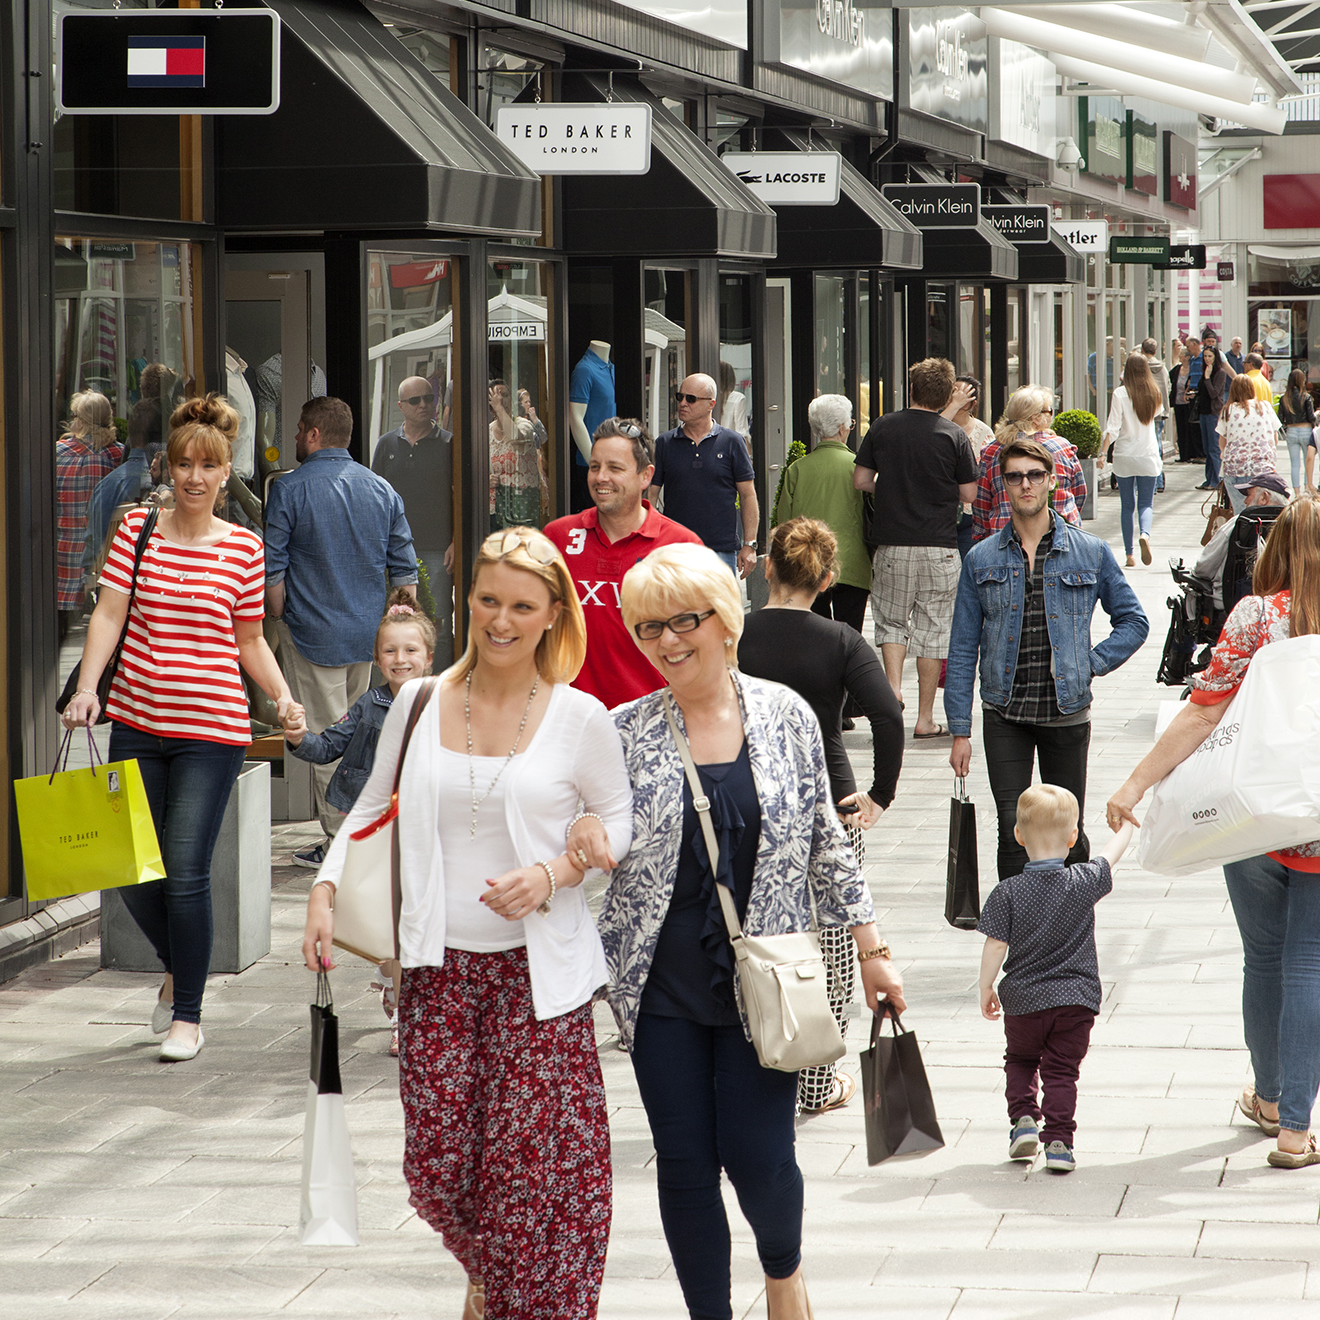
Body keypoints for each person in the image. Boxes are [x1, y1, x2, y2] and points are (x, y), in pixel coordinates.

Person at [302, 526, 634, 1318]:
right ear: (468, 600)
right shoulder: (418, 702)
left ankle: (529, 1300)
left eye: (523, 605)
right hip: (435, 970)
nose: (501, 620)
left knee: (534, 1174)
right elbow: (367, 810)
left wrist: (561, 866)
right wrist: (324, 886)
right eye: (489, 600)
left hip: (537, 978)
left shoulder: (580, 716)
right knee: (439, 1167)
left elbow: (618, 815)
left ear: (554, 612)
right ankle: (497, 1279)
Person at [574, 541, 901, 1320]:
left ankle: (783, 1276)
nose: (666, 642)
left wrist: (874, 949)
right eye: (647, 628)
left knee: (759, 1157)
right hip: (661, 984)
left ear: (724, 621)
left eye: (682, 621)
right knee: (684, 1165)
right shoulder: (621, 732)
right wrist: (580, 834)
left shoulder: (784, 714)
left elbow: (825, 840)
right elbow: (582, 834)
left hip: (768, 976)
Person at [62, 395, 300, 1062]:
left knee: (186, 869)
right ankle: (179, 966)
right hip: (136, 721)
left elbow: (249, 639)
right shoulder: (137, 528)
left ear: (227, 474)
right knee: (131, 871)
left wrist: (281, 697)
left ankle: (186, 1015)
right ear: (169, 468)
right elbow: (108, 615)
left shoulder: (243, 549)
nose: (195, 477)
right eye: (185, 464)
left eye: (209, 466)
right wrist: (86, 688)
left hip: (211, 732)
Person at [1107, 496, 1320, 1169]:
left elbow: (1202, 714)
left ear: (1276, 548)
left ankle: (1267, 1094)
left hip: (1253, 814)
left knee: (1263, 958)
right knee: (1308, 963)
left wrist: (1135, 783)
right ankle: (1295, 1129)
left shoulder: (1256, 616)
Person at [739, 518, 904, 1117]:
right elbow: (887, 714)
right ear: (829, 579)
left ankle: (757, 1062)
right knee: (833, 943)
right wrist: (880, 794)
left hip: (748, 799)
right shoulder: (841, 641)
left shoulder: (735, 634)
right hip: (831, 802)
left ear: (769, 569)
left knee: (756, 935)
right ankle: (817, 1081)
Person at [946, 437, 1148, 881]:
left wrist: (1088, 662)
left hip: (1067, 711)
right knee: (1011, 829)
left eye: (1034, 475)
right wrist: (959, 729)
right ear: (1004, 484)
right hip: (1005, 712)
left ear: (1052, 481)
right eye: (1015, 476)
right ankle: (1018, 933)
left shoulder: (1088, 551)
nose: (1025, 485)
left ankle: (1070, 926)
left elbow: (1134, 622)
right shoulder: (981, 558)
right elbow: (961, 646)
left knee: (1065, 831)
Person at [264, 396, 419, 867]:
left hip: (313, 635)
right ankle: (360, 836)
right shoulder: (382, 489)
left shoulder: (289, 490)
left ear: (313, 435)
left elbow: (273, 575)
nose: (293, 438)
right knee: (358, 739)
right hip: (366, 639)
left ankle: (341, 846)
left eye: (297, 430)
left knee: (329, 742)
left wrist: (277, 620)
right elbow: (406, 578)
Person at [284, 588, 435, 1057]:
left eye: (411, 650)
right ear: (376, 657)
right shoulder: (369, 706)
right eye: (390, 651)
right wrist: (296, 737)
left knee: (415, 919)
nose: (400, 659)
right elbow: (327, 746)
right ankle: (395, 982)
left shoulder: (442, 703)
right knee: (388, 920)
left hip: (427, 830)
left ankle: (407, 1014)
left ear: (429, 657)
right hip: (377, 832)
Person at [978, 785, 1134, 1174]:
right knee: (1062, 1071)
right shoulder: (1083, 880)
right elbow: (1112, 856)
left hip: (1024, 1001)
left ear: (1018, 836)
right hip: (1076, 1000)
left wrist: (986, 986)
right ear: (1073, 838)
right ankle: (1060, 1143)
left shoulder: (1007, 892)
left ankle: (1023, 1121)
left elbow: (996, 946)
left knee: (1021, 1060)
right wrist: (1126, 824)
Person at [853, 358, 977, 738]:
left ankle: (892, 691)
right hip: (940, 546)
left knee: (891, 623)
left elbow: (860, 480)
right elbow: (969, 493)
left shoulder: (883, 427)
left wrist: (890, 488)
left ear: (910, 390)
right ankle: (925, 719)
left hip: (892, 544)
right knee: (934, 630)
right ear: (945, 395)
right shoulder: (953, 436)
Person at [544, 417, 700, 710]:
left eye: (615, 468)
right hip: (570, 721)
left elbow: (705, 646)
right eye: (594, 466)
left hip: (654, 725)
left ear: (646, 476)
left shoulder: (682, 546)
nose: (601, 477)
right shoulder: (557, 537)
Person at [772, 393, 872, 631]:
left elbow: (784, 523)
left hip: (808, 564)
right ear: (841, 428)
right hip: (853, 565)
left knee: (814, 634)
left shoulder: (797, 470)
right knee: (849, 635)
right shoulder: (859, 468)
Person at [371, 375, 455, 657]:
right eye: (415, 400)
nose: (423, 405)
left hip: (437, 548)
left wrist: (455, 541)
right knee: (397, 619)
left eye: (429, 398)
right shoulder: (386, 445)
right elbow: (376, 499)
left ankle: (440, 685)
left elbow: (461, 496)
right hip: (395, 549)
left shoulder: (448, 444)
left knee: (438, 620)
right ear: (401, 406)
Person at [650, 373, 760, 579]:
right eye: (679, 397)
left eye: (690, 399)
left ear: (711, 404)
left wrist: (749, 544)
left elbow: (748, 495)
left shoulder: (732, 442)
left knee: (720, 611)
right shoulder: (664, 443)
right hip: (675, 551)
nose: (682, 403)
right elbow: (650, 494)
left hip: (720, 552)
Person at [973, 386, 1086, 542]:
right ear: (1036, 418)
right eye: (1050, 411)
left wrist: (985, 539)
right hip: (1063, 537)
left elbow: (981, 504)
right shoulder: (1062, 448)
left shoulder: (991, 452)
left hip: (1006, 540)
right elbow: (1079, 494)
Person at [55, 391, 124, 635]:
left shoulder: (57, 454)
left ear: (79, 421)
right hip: (106, 562)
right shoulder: (119, 456)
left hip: (62, 561)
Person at [81, 401, 155, 588]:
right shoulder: (168, 484)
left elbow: (93, 543)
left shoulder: (108, 485)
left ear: (131, 437)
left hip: (111, 581)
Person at [1192, 474, 1289, 610]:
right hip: (1285, 603)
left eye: (1248, 494)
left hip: (1234, 603)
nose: (1245, 501)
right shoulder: (1294, 525)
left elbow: (1204, 568)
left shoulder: (1237, 524)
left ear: (1264, 498)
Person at [1103, 353, 1163, 567]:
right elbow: (1156, 415)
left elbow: (1113, 428)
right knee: (1146, 503)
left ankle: (1129, 556)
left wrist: (1102, 453)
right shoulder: (1154, 392)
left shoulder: (1119, 394)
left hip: (1124, 455)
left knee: (1127, 505)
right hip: (1147, 454)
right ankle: (1145, 535)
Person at [1217, 373, 1282, 514]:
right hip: (1262, 468)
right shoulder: (1264, 406)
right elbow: (1275, 437)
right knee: (1262, 511)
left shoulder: (1228, 410)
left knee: (1240, 513)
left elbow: (1222, 442)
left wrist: (1225, 453)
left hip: (1235, 469)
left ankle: (1241, 534)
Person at [947, 375, 996, 560]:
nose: (957, 398)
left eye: (963, 394)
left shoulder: (984, 432)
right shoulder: (937, 426)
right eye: (953, 392)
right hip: (942, 512)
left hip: (971, 514)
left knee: (967, 564)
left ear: (973, 403)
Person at [489, 378, 544, 531]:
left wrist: (499, 408)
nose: (500, 399)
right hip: (496, 509)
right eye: (496, 396)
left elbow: (516, 439)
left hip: (522, 507)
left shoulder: (524, 425)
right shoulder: (486, 432)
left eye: (504, 395)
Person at [1193, 344, 1236, 491]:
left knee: (1213, 448)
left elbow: (1214, 393)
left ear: (1215, 357)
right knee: (1206, 448)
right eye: (1205, 356)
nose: (1207, 359)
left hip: (1213, 413)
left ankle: (1216, 480)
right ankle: (1209, 479)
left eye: (1210, 356)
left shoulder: (1219, 373)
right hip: (1204, 412)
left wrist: (1206, 378)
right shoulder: (1205, 370)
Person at [1280, 370, 1316, 493]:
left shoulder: (1284, 398)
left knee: (1294, 464)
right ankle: (1307, 489)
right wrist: (1316, 417)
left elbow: (1280, 418)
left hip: (1291, 431)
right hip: (1305, 430)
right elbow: (1311, 418)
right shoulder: (1306, 397)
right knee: (1308, 461)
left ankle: (1296, 492)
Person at [1170, 346, 1203, 464]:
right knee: (1180, 428)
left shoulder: (1192, 369)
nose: (1180, 356)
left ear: (1187, 357)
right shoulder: (1177, 369)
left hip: (1189, 403)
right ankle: (1183, 455)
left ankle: (1191, 453)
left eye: (1182, 355)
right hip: (1178, 402)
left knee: (1190, 428)